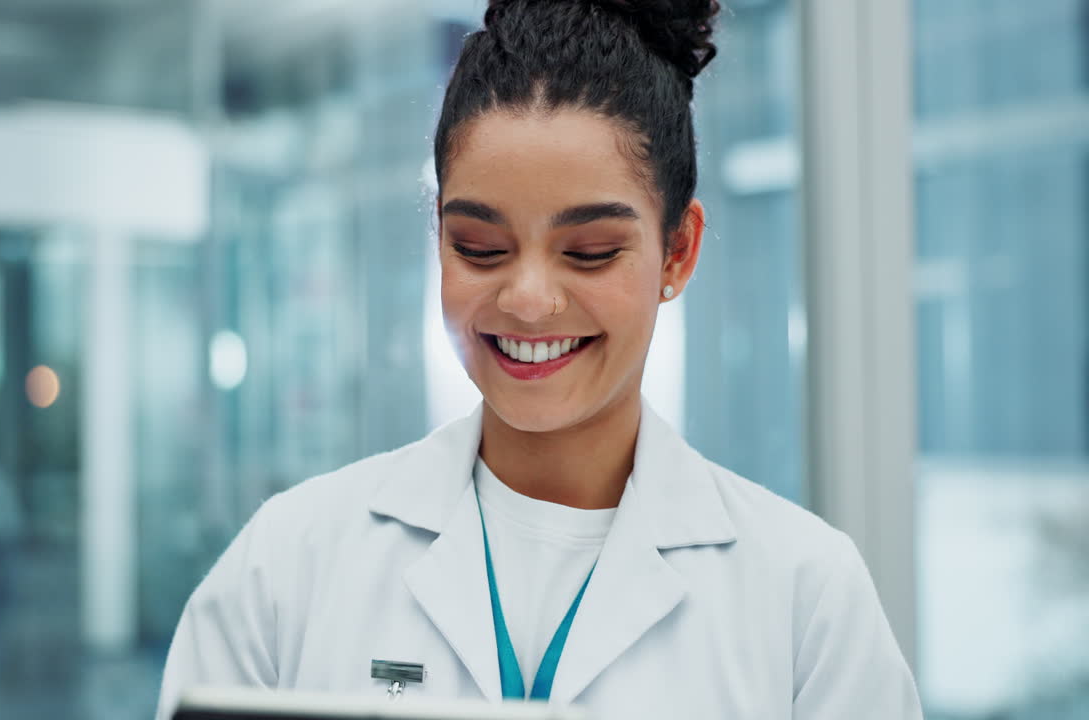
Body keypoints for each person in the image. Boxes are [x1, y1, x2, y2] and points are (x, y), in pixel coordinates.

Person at [156, 0, 923, 717]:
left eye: (588, 252)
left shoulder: (805, 597)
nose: (527, 299)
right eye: (479, 247)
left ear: (677, 252)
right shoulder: (289, 563)